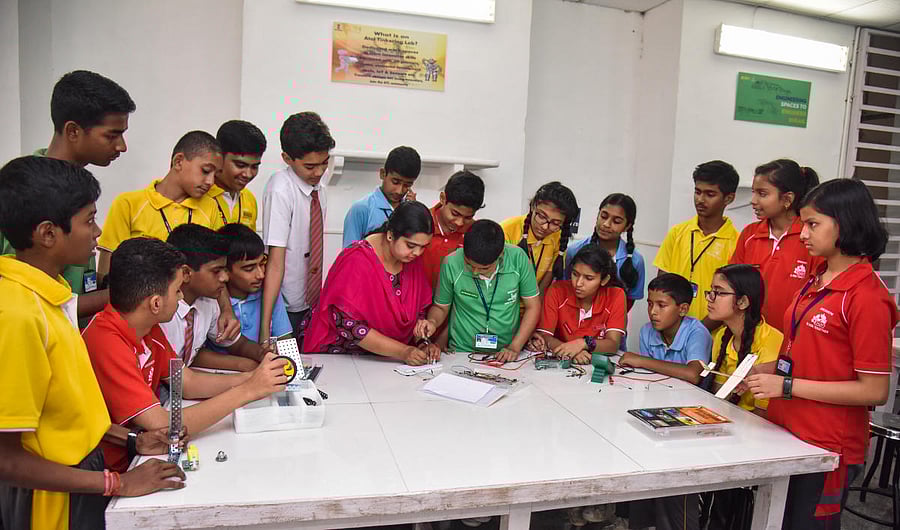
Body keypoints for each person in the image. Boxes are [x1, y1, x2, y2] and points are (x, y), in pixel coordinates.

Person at [0, 156, 185, 530]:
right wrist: (119, 482)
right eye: (88, 220)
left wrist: (134, 442)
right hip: (51, 499)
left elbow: (71, 414)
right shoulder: (17, 314)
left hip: (83, 476)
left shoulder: (51, 298)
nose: (98, 231)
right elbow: (7, 461)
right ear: (48, 234)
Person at [746, 179, 898, 529]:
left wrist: (787, 386)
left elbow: (874, 391)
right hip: (788, 427)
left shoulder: (866, 296)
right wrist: (770, 370)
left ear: (844, 223)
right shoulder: (817, 278)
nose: (803, 234)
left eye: (813, 224)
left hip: (827, 444)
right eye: (803, 224)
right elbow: (810, 353)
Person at [83, 237, 288, 473]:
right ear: (156, 303)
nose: (181, 298)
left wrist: (255, 378)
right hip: (112, 469)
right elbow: (164, 424)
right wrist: (249, 390)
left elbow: (187, 382)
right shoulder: (106, 341)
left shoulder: (147, 327)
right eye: (177, 290)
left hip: (143, 454)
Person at [0, 70, 135, 320]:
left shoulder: (77, 187)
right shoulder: (25, 190)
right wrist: (124, 294)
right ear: (73, 131)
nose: (122, 146)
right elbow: (30, 301)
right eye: (112, 135)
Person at [303, 202, 435, 365]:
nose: (417, 253)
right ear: (390, 235)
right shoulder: (356, 260)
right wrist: (403, 351)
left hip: (389, 360)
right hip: (342, 359)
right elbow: (347, 324)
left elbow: (417, 310)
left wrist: (421, 338)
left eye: (423, 247)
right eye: (411, 245)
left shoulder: (412, 261)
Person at [97, 130, 225, 279]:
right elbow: (106, 270)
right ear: (178, 162)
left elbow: (216, 267)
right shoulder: (128, 204)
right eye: (206, 171)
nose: (210, 181)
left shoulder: (210, 207)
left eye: (215, 175)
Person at [260, 112, 335, 344]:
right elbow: (274, 261)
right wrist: (265, 328)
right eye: (310, 166)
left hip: (311, 301)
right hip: (284, 305)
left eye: (324, 163)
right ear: (287, 158)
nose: (319, 172)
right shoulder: (280, 189)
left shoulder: (319, 188)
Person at [418, 220, 541, 361]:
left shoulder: (518, 259)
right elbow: (441, 307)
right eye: (469, 264)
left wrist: (514, 347)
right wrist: (432, 322)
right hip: (461, 351)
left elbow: (533, 306)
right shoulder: (451, 263)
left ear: (501, 254)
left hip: (506, 352)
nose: (475, 272)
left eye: (484, 268)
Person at [161, 225, 272, 372]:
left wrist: (262, 354)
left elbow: (237, 343)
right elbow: (180, 379)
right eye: (216, 271)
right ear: (186, 273)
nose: (225, 278)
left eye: (225, 269)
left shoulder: (209, 302)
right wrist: (249, 379)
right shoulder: (163, 312)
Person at [728, 159, 821, 333]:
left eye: (762, 194)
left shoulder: (811, 238)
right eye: (754, 193)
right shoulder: (749, 235)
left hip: (793, 340)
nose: (753, 201)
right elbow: (732, 286)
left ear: (787, 199)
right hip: (750, 338)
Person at [654, 161, 740, 326]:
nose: (700, 200)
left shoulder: (736, 242)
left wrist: (696, 333)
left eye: (710, 194)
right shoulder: (677, 232)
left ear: (728, 198)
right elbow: (662, 285)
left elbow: (732, 302)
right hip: (672, 330)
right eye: (697, 192)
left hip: (712, 335)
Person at [529, 244, 627, 363]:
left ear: (604, 280)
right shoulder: (557, 291)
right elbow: (544, 336)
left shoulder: (616, 295)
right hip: (562, 363)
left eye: (589, 278)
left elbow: (612, 345)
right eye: (575, 274)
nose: (578, 283)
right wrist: (571, 351)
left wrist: (582, 343)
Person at [705, 265, 782, 412]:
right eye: (711, 291)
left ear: (743, 302)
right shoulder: (721, 335)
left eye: (718, 292)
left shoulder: (772, 341)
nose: (709, 298)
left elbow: (765, 413)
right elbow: (721, 396)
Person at [619, 273, 712, 384]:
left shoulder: (697, 332)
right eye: (650, 304)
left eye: (661, 305)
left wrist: (641, 360)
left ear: (683, 309)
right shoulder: (647, 331)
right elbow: (646, 374)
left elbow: (693, 375)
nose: (653, 311)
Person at [566, 193, 645, 312]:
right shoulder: (574, 251)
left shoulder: (636, 260)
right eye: (603, 216)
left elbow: (629, 300)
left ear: (627, 226)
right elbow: (565, 289)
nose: (606, 224)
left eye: (616, 221)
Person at [218, 223, 292, 345]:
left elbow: (285, 342)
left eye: (262, 263)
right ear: (225, 271)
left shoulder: (269, 293)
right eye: (249, 269)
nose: (261, 275)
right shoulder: (212, 301)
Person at [501, 181, 579, 295]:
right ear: (533, 206)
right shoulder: (507, 230)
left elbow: (542, 289)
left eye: (555, 223)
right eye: (542, 216)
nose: (545, 226)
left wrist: (535, 307)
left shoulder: (558, 237)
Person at [342, 145, 421, 247]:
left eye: (407, 185)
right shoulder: (361, 209)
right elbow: (349, 255)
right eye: (395, 182)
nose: (399, 191)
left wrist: (413, 212)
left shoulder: (410, 210)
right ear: (383, 174)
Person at [421, 170, 485, 289]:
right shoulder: (420, 225)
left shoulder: (475, 233)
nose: (460, 223)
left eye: (468, 217)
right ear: (443, 198)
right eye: (455, 213)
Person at [209, 120, 268, 229]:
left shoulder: (249, 199)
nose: (248, 174)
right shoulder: (198, 194)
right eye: (240, 165)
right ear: (219, 157)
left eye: (254, 167)